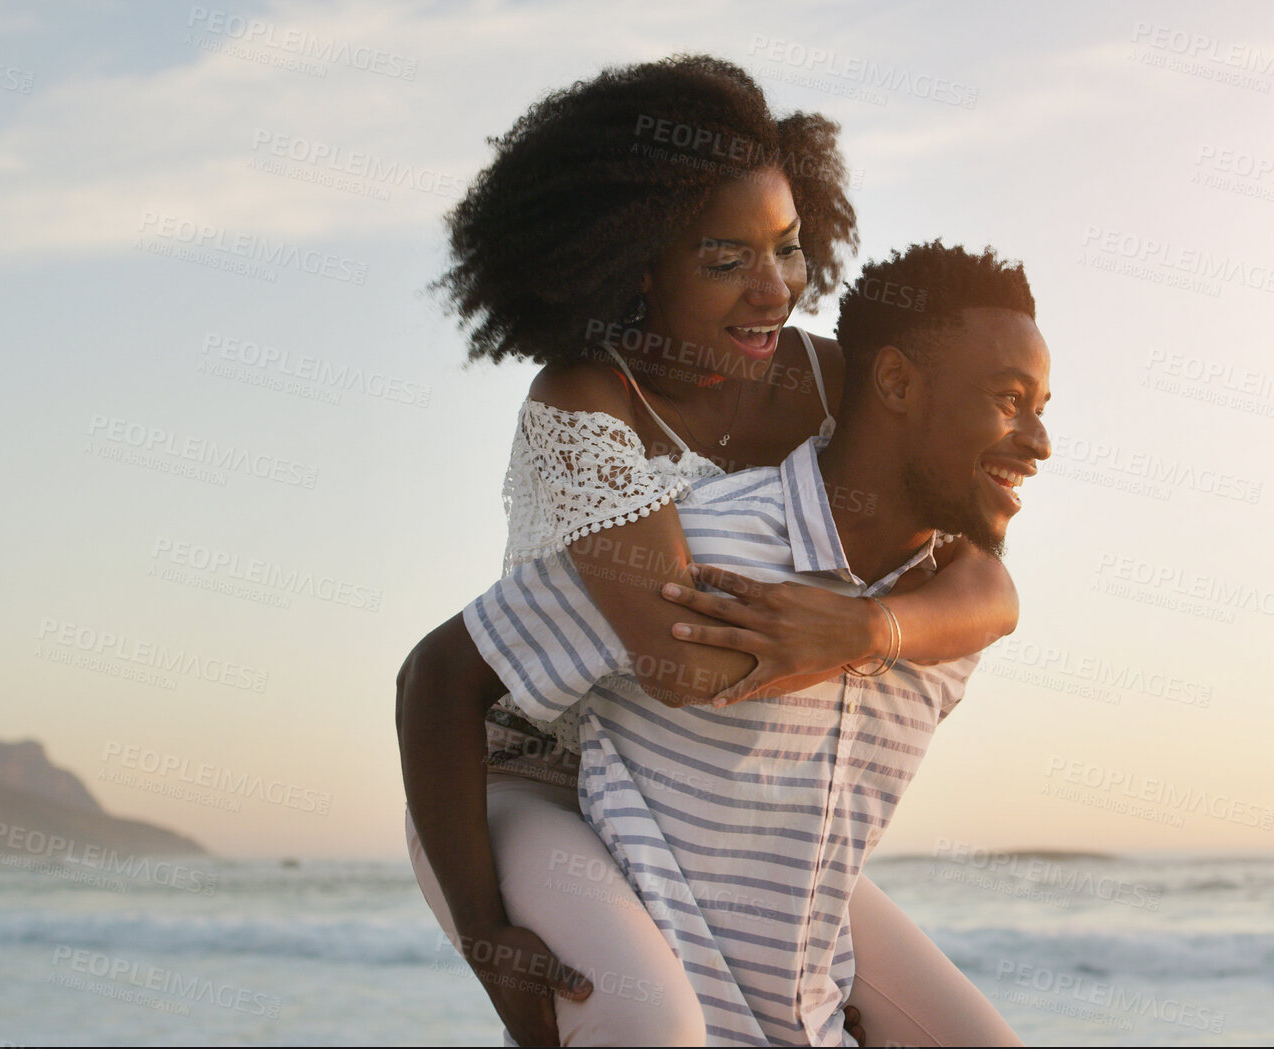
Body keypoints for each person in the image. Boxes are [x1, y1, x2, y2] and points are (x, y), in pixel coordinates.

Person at [401, 53, 1021, 1045]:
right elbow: (680, 660)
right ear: (633, 267)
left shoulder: (836, 378)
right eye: (724, 260)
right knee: (653, 1030)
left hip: (710, 801)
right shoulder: (585, 402)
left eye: (786, 249)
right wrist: (482, 930)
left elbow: (985, 577)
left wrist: (873, 625)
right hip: (533, 782)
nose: (772, 290)